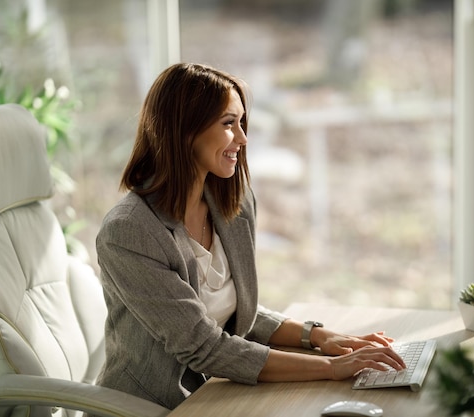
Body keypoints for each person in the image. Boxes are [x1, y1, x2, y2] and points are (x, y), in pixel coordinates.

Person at [95, 62, 405, 409]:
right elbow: (204, 345)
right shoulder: (129, 232)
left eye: (242, 122)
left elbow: (234, 311)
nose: (243, 138)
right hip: (150, 406)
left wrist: (320, 336)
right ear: (185, 130)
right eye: (229, 123)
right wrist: (333, 368)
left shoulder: (234, 201)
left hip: (218, 393)